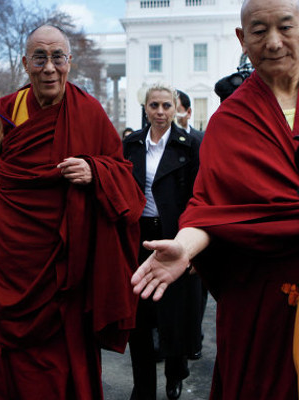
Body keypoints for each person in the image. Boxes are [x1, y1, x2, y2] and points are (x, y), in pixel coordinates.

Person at [130, 0, 299, 398]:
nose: (273, 42)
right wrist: (183, 249)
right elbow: (212, 207)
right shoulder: (230, 119)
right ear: (242, 39)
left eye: (285, 28)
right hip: (259, 294)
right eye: (258, 31)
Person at [0, 25, 145, 399]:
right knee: (2, 350)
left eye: (57, 57)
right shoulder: (10, 110)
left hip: (64, 263)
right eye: (39, 57)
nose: (49, 67)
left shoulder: (89, 111)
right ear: (25, 63)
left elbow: (126, 181)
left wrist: (94, 170)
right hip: (12, 258)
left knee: (60, 363)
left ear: (70, 62)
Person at [123, 83, 202, 400]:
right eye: (154, 105)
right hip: (140, 236)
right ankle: (143, 387)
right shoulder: (131, 144)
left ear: (177, 108)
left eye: (166, 105)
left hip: (176, 235)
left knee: (175, 315)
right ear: (145, 108)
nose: (160, 112)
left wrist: (193, 250)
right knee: (139, 316)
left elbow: (199, 196)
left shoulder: (192, 144)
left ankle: (175, 373)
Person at [175, 90, 209, 361]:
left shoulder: (199, 140)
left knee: (195, 289)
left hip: (195, 223)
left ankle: (193, 340)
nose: (165, 112)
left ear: (187, 111)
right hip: (169, 222)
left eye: (172, 107)